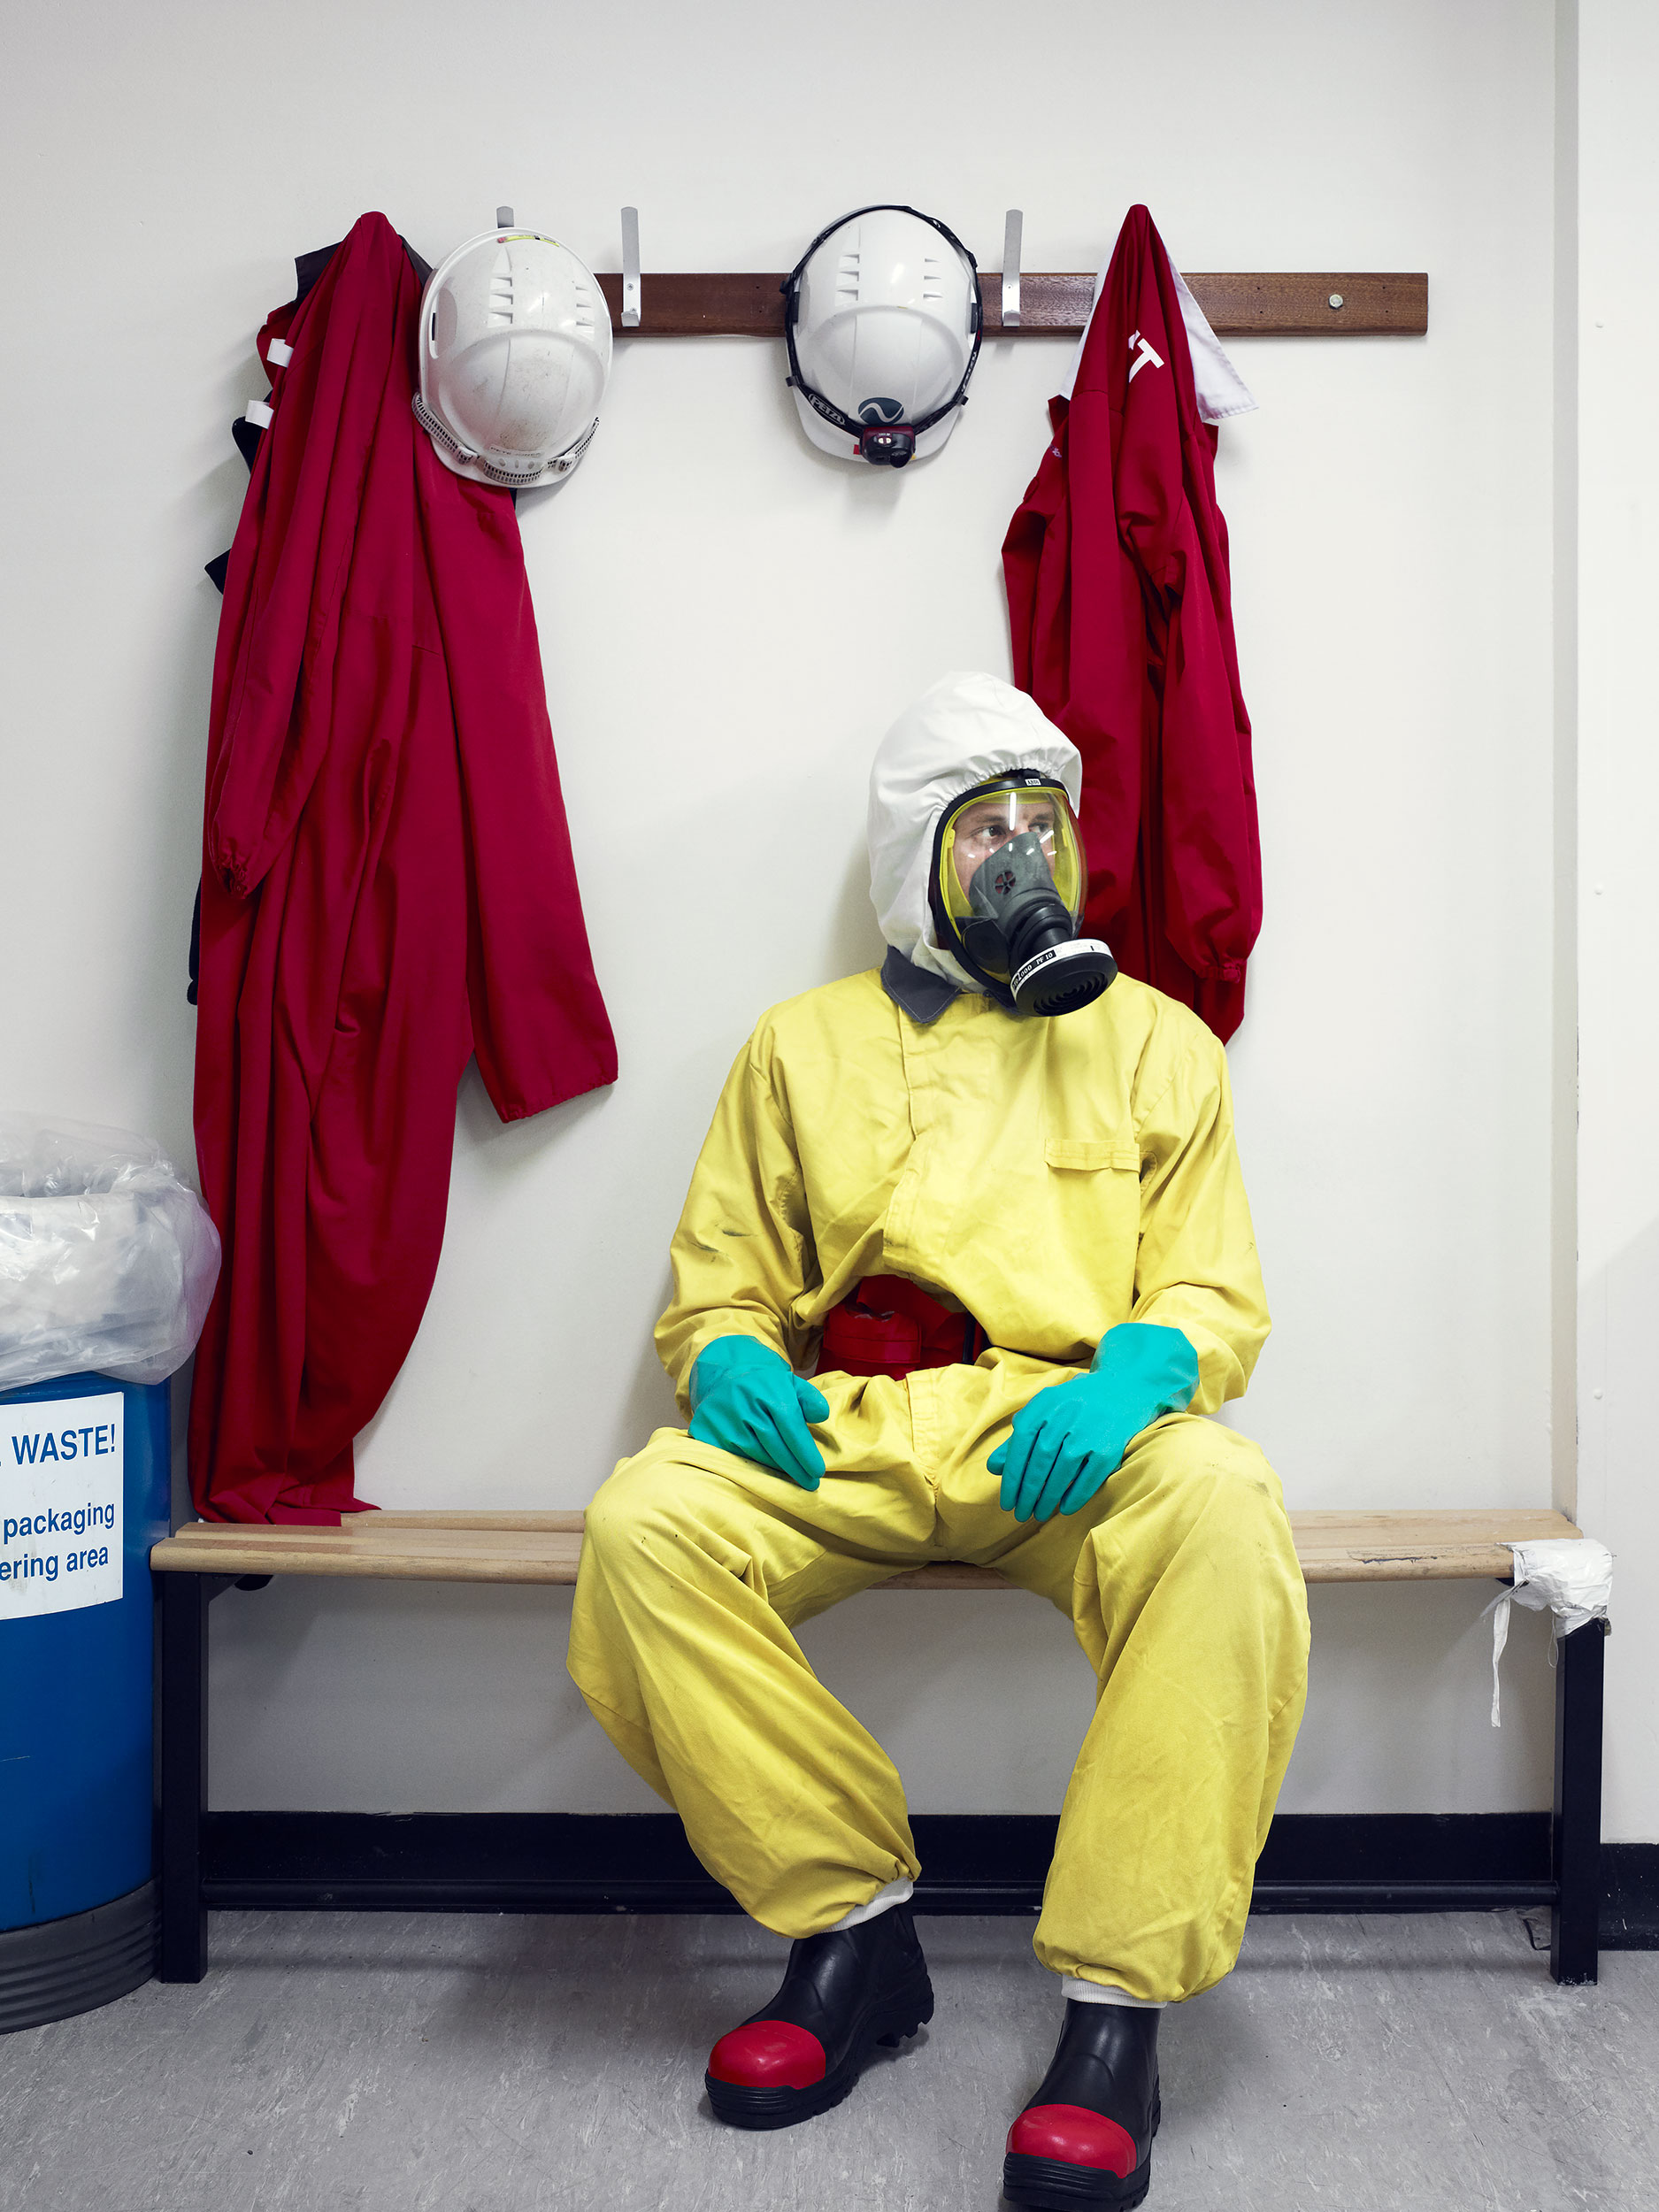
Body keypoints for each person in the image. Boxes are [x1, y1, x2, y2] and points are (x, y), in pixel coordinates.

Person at [570, 670, 1309, 2210]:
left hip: (1069, 1436)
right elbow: (723, 1277)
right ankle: (850, 1930)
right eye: (992, 829)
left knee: (1228, 1510)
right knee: (649, 1526)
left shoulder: (1156, 1042)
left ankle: (1117, 2018)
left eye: (1052, 821)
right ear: (919, 853)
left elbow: (1209, 1283)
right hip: (855, 1432)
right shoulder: (797, 1047)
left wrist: (1141, 1372)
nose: (1030, 855)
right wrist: (719, 1358)